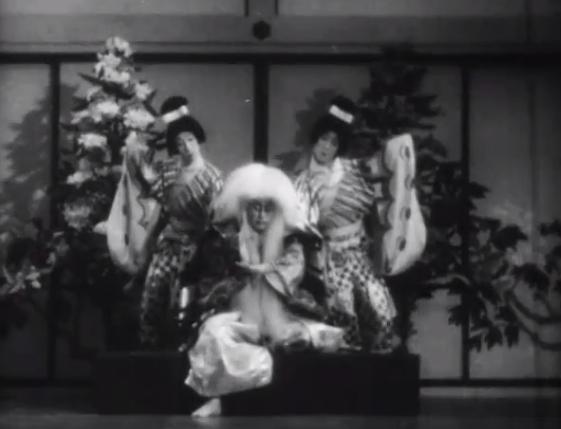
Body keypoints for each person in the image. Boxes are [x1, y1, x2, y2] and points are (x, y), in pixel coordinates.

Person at [185, 163, 344, 417]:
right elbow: (210, 282)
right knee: (214, 335)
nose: (261, 216)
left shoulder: (290, 240)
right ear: (244, 208)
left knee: (309, 335)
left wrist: (264, 270)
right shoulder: (225, 240)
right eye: (255, 208)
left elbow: (294, 270)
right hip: (236, 315)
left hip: (281, 315)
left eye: (268, 209)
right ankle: (218, 399)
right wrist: (238, 278)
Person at [294, 96, 426, 352]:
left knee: (380, 313)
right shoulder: (302, 181)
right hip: (327, 258)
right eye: (323, 139)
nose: (326, 147)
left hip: (358, 253)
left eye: (334, 142)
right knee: (343, 321)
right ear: (315, 140)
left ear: (340, 147)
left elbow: (394, 157)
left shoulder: (355, 170)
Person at [125, 96, 223, 348]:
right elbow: (158, 210)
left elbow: (216, 221)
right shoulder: (168, 170)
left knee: (184, 306)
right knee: (152, 299)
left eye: (190, 140)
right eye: (179, 143)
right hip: (167, 244)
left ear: (198, 140)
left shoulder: (212, 176)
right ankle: (150, 352)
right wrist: (145, 246)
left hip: (196, 249)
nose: (186, 147)